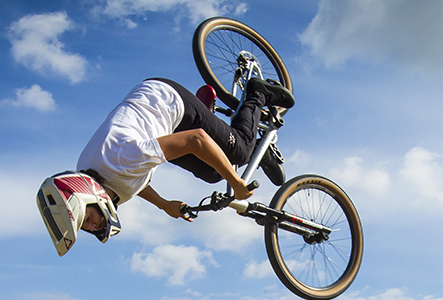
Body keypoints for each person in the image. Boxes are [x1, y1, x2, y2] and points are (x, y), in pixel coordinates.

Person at [37, 77, 294, 256]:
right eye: (87, 228)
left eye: (89, 219)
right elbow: (134, 183)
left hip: (169, 102)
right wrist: (164, 204)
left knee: (237, 152)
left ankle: (257, 93)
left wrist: (237, 183)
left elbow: (196, 140)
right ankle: (256, 148)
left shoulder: (123, 158)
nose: (93, 227)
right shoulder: (96, 177)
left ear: (88, 195)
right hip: (158, 126)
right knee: (212, 173)